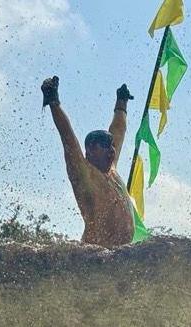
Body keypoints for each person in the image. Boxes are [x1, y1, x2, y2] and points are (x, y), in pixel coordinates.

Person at [41, 76, 136, 248]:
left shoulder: (111, 170)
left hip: (121, 257)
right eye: (106, 146)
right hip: (96, 257)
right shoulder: (83, 173)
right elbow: (67, 136)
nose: (112, 150)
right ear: (91, 149)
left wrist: (121, 103)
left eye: (112, 147)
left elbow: (118, 131)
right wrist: (54, 102)